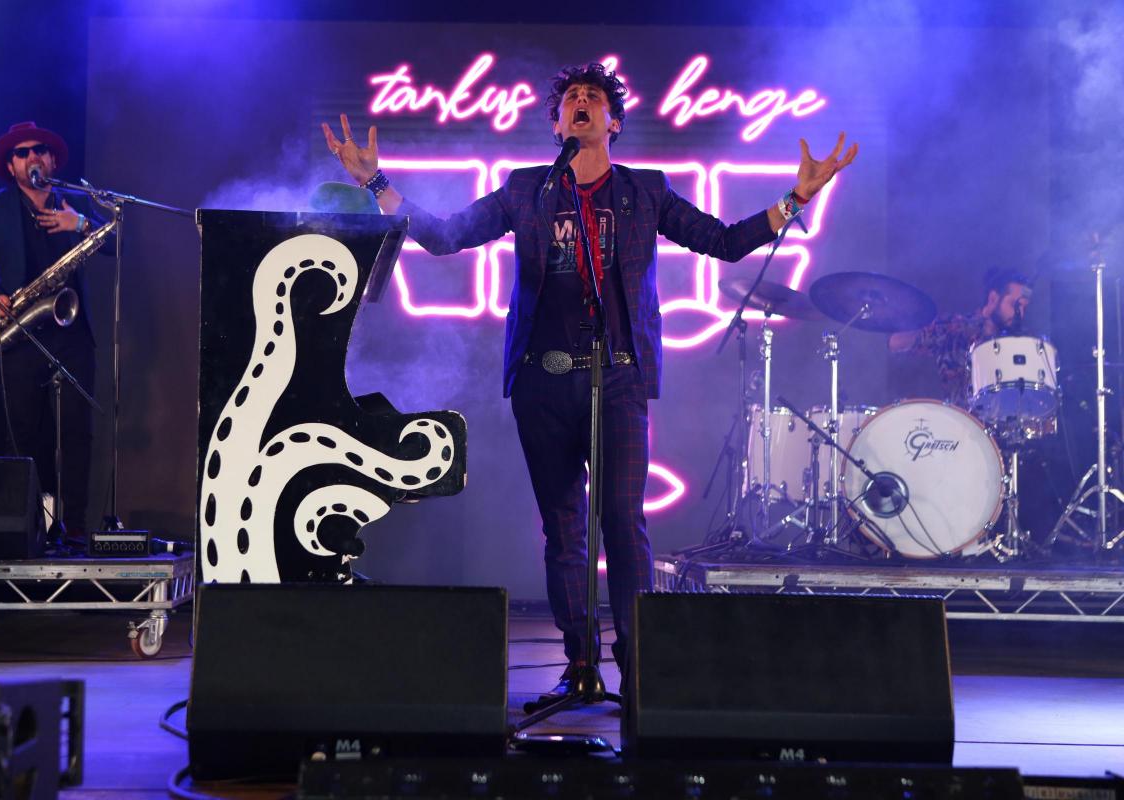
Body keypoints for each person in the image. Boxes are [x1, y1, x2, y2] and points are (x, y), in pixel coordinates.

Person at [324, 63, 856, 698]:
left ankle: (641, 669)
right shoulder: (525, 191)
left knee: (625, 526)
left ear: (614, 121)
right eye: (571, 98)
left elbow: (723, 241)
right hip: (542, 387)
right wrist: (376, 183)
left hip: (620, 381)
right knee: (563, 529)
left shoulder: (646, 192)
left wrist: (795, 199)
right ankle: (580, 664)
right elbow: (443, 237)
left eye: (593, 96)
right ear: (557, 124)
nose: (580, 102)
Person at [0, 121, 110, 544]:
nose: (33, 157)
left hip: (72, 331)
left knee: (78, 434)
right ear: (11, 166)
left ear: (53, 160)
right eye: (22, 152)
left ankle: (77, 529)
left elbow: (117, 243)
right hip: (20, 333)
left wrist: (79, 224)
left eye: (40, 150)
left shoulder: (70, 204)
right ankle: (31, 533)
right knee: (25, 438)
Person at [889, 268, 1034, 405]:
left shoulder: (1018, 345)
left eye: (1024, 308)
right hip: (959, 424)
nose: (1020, 314)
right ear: (993, 299)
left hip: (1002, 427)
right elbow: (896, 342)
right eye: (1015, 305)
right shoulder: (956, 327)